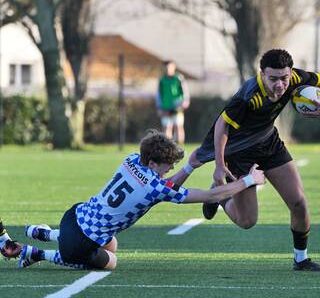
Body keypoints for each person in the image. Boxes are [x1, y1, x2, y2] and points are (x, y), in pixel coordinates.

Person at [12, 130, 264, 270]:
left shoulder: (132, 159)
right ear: (153, 162)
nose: (168, 170)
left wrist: (188, 167)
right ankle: (36, 252)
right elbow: (210, 195)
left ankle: (46, 233)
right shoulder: (156, 187)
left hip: (74, 215)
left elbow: (162, 185)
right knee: (111, 262)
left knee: (112, 244)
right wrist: (249, 181)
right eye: (167, 166)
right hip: (78, 243)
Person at [195, 49, 320, 271]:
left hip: (269, 144)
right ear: (262, 74)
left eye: (284, 78)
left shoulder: (296, 79)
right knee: (247, 221)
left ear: (290, 73)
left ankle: (300, 260)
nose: (280, 85)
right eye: (273, 79)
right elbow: (221, 127)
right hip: (240, 152)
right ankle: (219, 195)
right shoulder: (248, 96)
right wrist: (220, 164)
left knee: (299, 203)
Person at [157, 60, 190, 144]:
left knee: (178, 126)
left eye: (170, 67)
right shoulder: (162, 80)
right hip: (165, 107)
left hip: (177, 106)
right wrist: (159, 107)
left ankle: (180, 147)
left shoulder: (178, 78)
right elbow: (159, 94)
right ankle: (168, 147)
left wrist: (185, 101)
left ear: (174, 67)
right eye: (166, 67)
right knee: (166, 127)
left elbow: (185, 91)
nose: (168, 69)